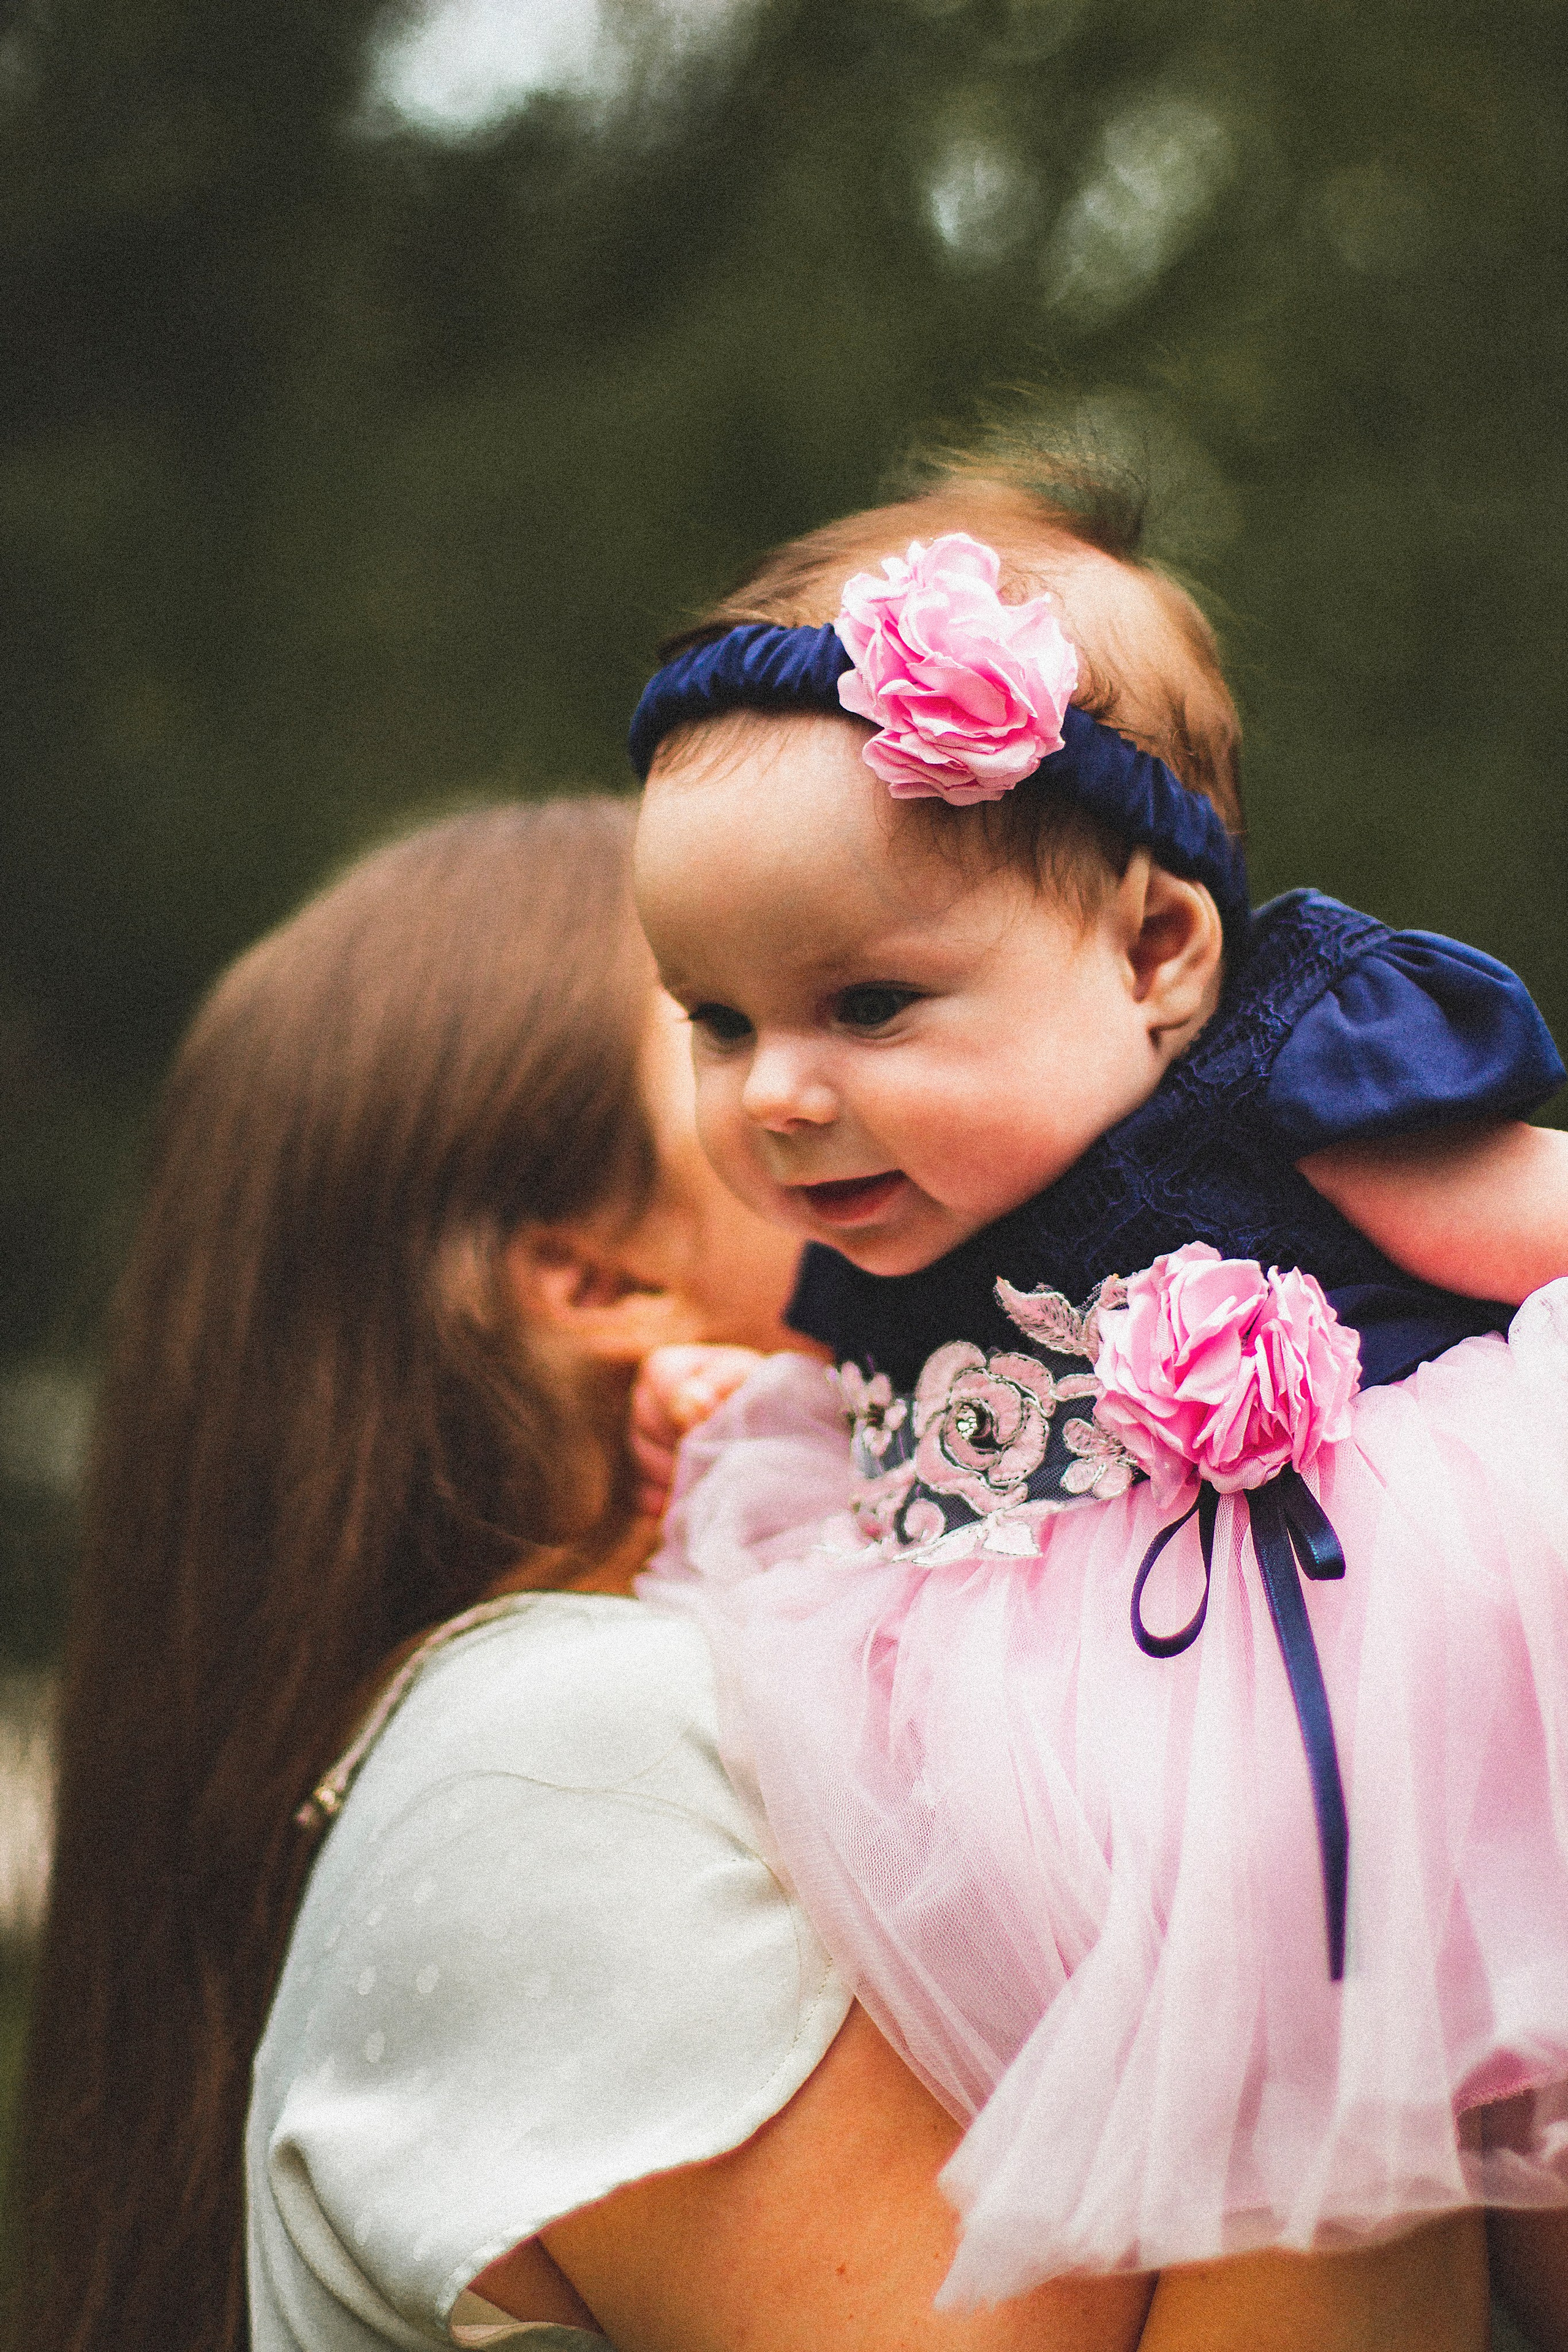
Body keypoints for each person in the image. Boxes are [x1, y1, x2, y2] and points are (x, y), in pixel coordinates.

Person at [12, 796, 1352, 2352]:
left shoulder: (765, 1697)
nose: (839, 1076)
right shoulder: (562, 1747)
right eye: (720, 1017)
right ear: (600, 1280)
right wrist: (1354, 1822)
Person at [625, 462, 1568, 2338]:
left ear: (1158, 955)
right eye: (719, 1022)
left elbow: (1543, 1223)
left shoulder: (1289, 1093)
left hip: (1391, 1699)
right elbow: (899, 1405)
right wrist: (758, 1390)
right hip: (1106, 1821)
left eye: (869, 1005)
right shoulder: (886, 1234)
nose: (779, 1095)